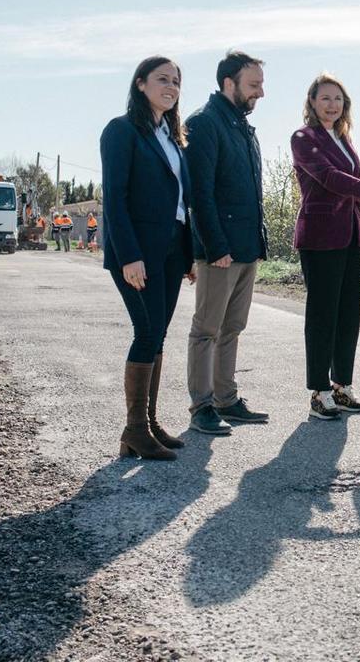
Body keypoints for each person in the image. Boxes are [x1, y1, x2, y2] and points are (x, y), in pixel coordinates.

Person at [291, 74, 360, 420]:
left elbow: (345, 179)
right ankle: (319, 391)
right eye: (325, 98)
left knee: (348, 315)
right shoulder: (303, 138)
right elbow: (328, 178)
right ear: (312, 101)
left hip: (348, 234)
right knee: (323, 315)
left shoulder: (343, 137)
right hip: (319, 236)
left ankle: (342, 386)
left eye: (338, 99)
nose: (332, 104)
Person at [99, 55, 195, 461]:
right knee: (146, 332)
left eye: (175, 81)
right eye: (161, 79)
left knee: (158, 334)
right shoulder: (122, 131)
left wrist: (189, 254)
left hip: (172, 249)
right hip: (137, 252)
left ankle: (148, 424)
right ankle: (135, 428)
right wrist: (130, 256)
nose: (170, 87)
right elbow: (115, 200)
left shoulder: (173, 138)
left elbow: (182, 203)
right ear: (140, 84)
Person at [183, 50, 270, 435]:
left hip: (246, 247)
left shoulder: (242, 127)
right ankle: (201, 406)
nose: (261, 94)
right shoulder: (203, 124)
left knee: (233, 326)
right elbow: (199, 194)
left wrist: (257, 243)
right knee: (207, 328)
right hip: (220, 251)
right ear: (228, 83)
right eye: (254, 85)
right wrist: (214, 247)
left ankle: (226, 398)